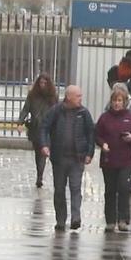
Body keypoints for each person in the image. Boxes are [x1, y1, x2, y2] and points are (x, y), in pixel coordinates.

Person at [37, 84, 96, 232]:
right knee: (59, 190)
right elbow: (44, 128)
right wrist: (44, 145)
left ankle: (76, 218)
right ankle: (61, 220)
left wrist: (89, 153)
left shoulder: (84, 113)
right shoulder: (56, 111)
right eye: (78, 96)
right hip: (59, 158)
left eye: (81, 96)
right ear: (68, 97)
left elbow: (90, 133)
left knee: (76, 188)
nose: (80, 99)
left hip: (77, 158)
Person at [94, 85, 131, 233]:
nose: (116, 103)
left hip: (126, 160)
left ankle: (123, 219)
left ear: (124, 102)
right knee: (110, 190)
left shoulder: (130, 117)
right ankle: (110, 220)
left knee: (123, 187)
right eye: (114, 100)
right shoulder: (104, 118)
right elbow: (97, 135)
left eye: (119, 100)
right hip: (109, 159)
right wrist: (103, 144)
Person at [20, 74, 57, 188]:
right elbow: (26, 109)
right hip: (36, 128)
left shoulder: (53, 97)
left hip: (48, 129)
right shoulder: (32, 96)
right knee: (38, 154)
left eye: (45, 83)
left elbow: (57, 111)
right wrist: (20, 122)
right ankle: (39, 174)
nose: (42, 85)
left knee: (43, 152)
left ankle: (40, 177)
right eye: (40, 83)